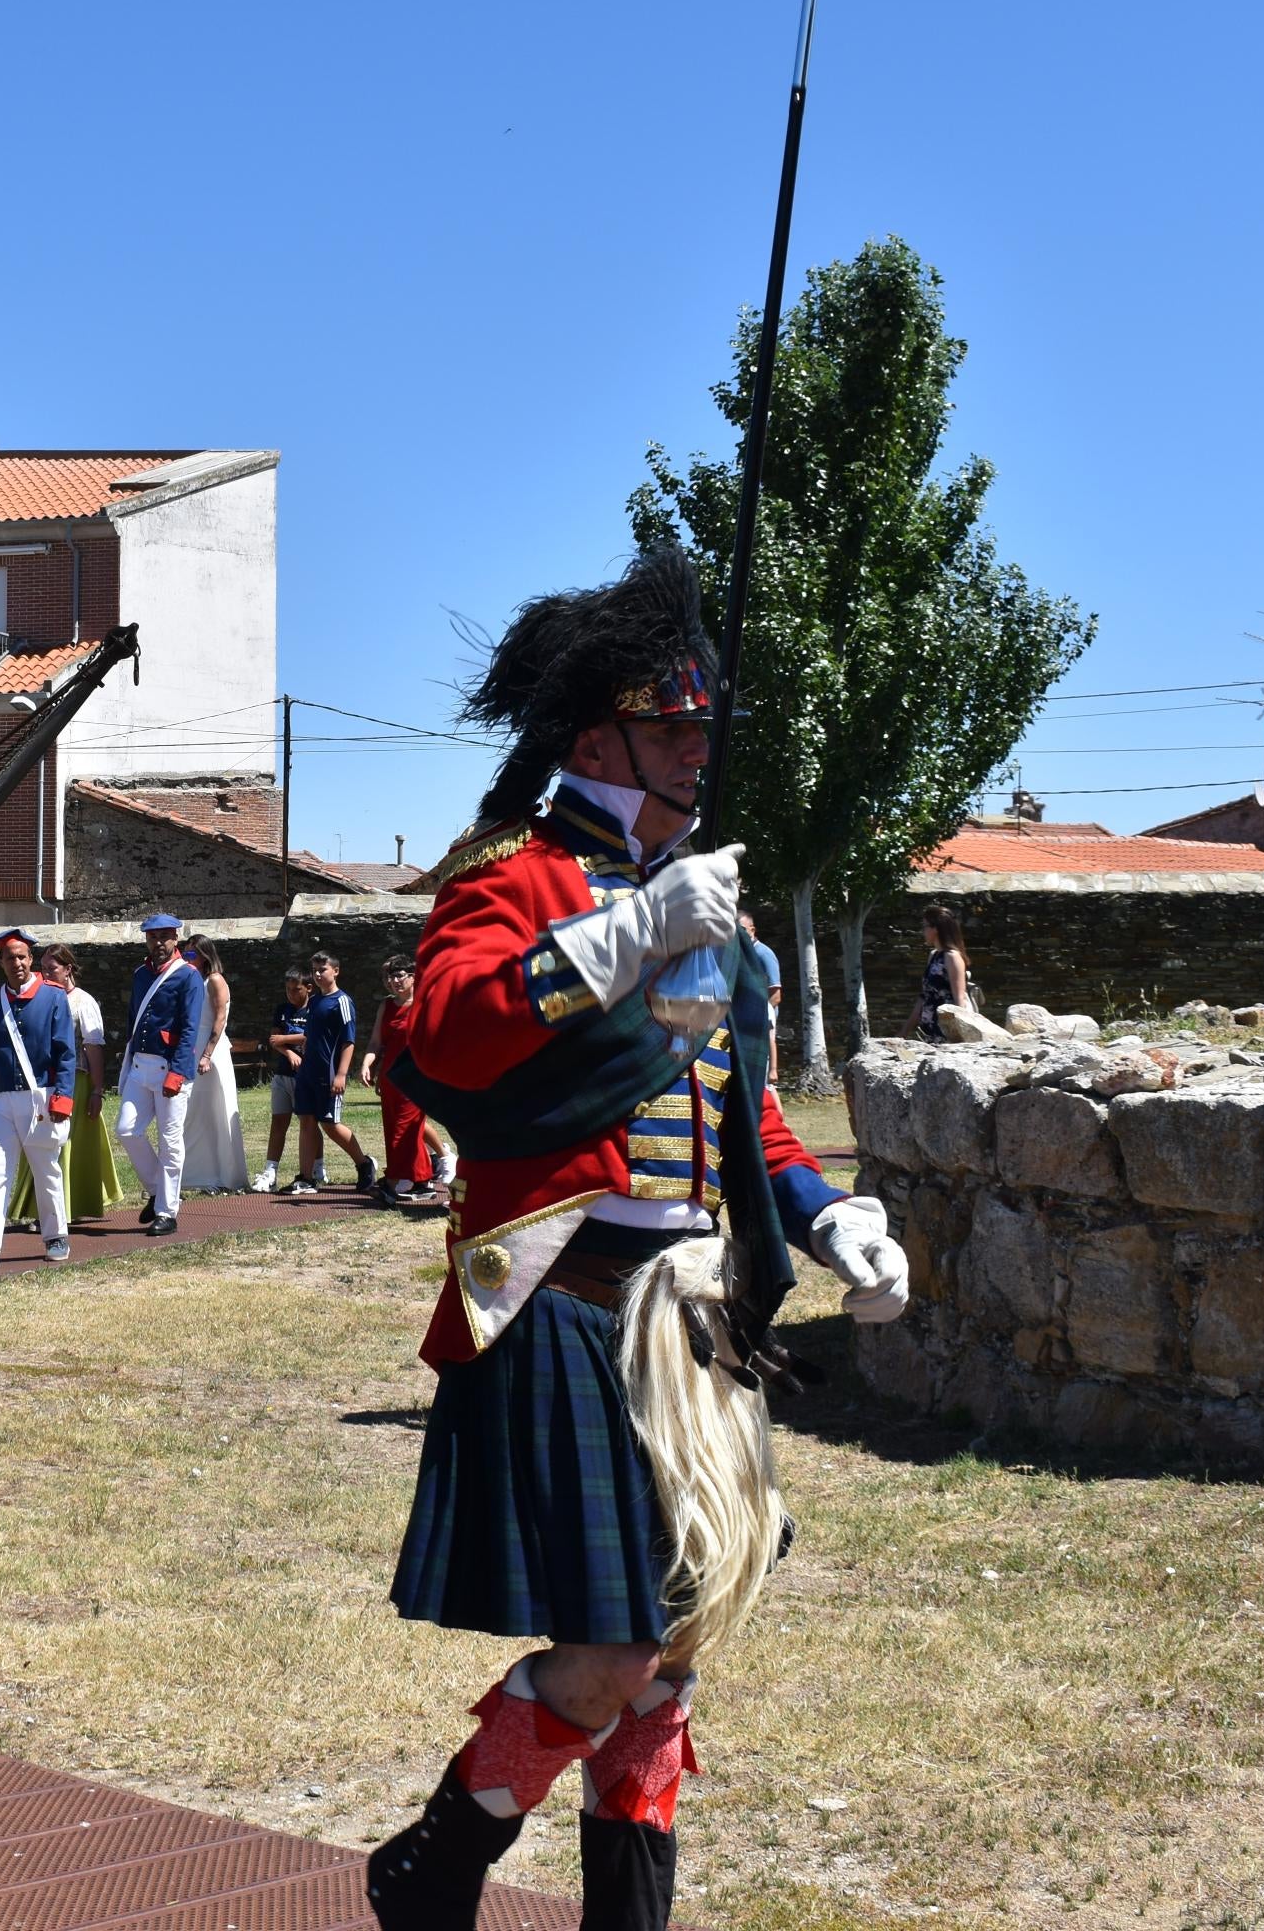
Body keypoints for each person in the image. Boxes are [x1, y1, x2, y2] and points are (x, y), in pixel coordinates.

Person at [366, 554, 913, 1931]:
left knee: (672, 1646)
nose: (696, 749)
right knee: (609, 1650)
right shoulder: (516, 874)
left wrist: (828, 1210)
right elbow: (447, 1034)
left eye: (701, 726)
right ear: (596, 734)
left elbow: (742, 1118)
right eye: (671, 726)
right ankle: (437, 1868)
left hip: (691, 1311)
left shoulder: (703, 900)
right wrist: (623, 942)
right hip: (560, 1289)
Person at [0, 928, 75, 1268]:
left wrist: (62, 1098)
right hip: (1, 1101)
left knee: (45, 1170)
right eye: (10, 957)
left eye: (22, 957)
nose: (17, 963)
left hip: (40, 1096)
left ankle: (56, 1236)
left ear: (31, 960)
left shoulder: (54, 996)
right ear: (1, 962)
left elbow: (66, 1053)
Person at [13, 945, 122, 1230]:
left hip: (76, 1081)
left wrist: (97, 1090)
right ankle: (43, 1208)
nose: (46, 974)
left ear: (68, 969)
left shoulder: (83, 1002)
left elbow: (94, 1048)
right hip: (44, 1083)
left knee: (64, 1147)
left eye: (53, 969)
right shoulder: (44, 997)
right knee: (39, 1143)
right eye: (44, 969)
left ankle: (57, 1211)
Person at [113, 913, 204, 1236]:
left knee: (170, 1141)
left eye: (165, 936)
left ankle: (167, 1211)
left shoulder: (188, 977)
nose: (159, 943)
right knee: (126, 1129)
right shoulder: (140, 974)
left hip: (170, 1066)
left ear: (175, 938)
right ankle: (157, 1190)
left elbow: (190, 1028)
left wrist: (178, 1072)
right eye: (153, 937)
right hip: (141, 1065)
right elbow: (132, 1021)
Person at [359, 957, 445, 1200]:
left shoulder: (424, 1003)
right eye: (390, 977)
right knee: (396, 1130)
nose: (394, 981)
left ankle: (392, 1183)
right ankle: (422, 1180)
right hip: (390, 1078)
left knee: (404, 1130)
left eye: (400, 976)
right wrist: (367, 1064)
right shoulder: (386, 1006)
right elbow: (376, 1041)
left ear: (413, 977)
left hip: (417, 1078)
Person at [291, 950, 374, 1194]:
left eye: (322, 970)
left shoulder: (342, 1002)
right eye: (314, 970)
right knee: (306, 1121)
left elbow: (349, 1041)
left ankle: (364, 1163)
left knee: (330, 1124)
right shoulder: (315, 1001)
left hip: (328, 1073)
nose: (317, 974)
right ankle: (305, 1177)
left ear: (335, 971)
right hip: (308, 1071)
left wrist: (341, 1074)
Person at [177, 940, 250, 1193]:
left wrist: (207, 1054)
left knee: (217, 1111)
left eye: (190, 954)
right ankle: (197, 1175)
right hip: (193, 1049)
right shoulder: (194, 981)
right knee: (194, 1112)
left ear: (204, 956)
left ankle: (225, 1176)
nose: (186, 958)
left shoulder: (215, 980)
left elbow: (220, 1019)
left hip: (211, 1051)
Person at [252, 966, 311, 1193]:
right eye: (287, 990)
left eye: (296, 990)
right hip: (283, 1074)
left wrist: (286, 1039)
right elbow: (273, 1040)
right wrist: (289, 1052)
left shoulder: (314, 1010)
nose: (291, 995)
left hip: (305, 1077)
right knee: (278, 1123)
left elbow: (309, 1036)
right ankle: (270, 1170)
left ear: (308, 988)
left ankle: (317, 1167)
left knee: (308, 1124)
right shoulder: (282, 1010)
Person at [910, 906, 974, 1041]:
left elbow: (959, 999)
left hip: (944, 1033)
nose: (923, 931)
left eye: (925, 926)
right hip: (929, 1031)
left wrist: (959, 1037)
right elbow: (924, 995)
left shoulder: (952, 957)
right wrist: (905, 1030)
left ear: (936, 929)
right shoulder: (933, 955)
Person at [738, 910, 783, 1084]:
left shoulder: (764, 954)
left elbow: (776, 995)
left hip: (761, 1023)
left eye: (742, 929)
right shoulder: (740, 954)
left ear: (752, 929)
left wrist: (760, 1015)